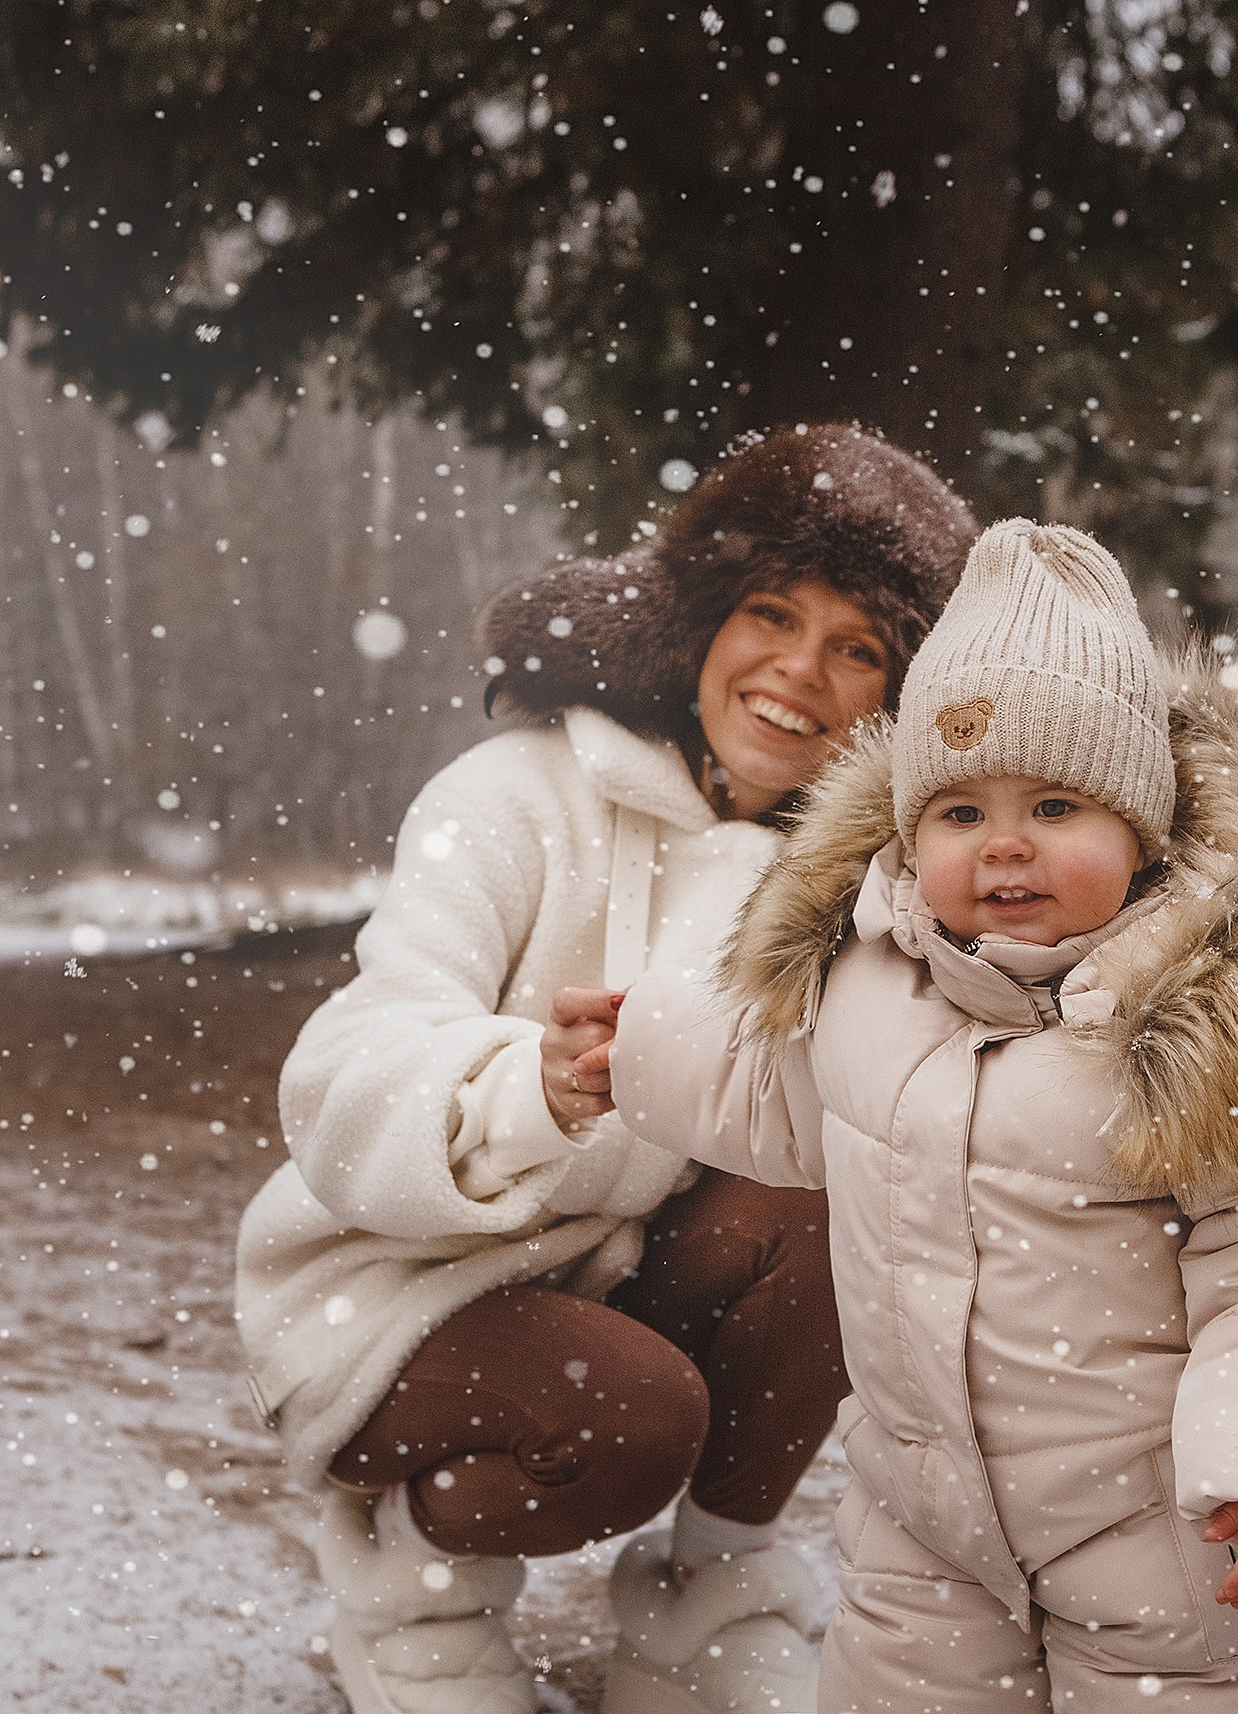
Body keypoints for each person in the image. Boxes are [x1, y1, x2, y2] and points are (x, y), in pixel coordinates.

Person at [598, 520, 1238, 1712]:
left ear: (1142, 832)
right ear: (904, 829)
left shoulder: (1226, 1017)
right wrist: (628, 1044)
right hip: (920, 1529)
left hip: (1160, 1538)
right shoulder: (873, 976)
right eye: (957, 813)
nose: (1003, 847)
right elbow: (773, 1096)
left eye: (1054, 805)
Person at [234, 423, 976, 1714]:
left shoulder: (856, 883)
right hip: (401, 1290)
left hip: (615, 1269)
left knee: (834, 1204)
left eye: (857, 647)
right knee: (634, 1414)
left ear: (895, 697)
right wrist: (536, 1084)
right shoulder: (518, 796)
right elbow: (340, 1077)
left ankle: (701, 1613)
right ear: (699, 618)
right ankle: (411, 1600)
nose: (798, 670)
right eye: (770, 612)